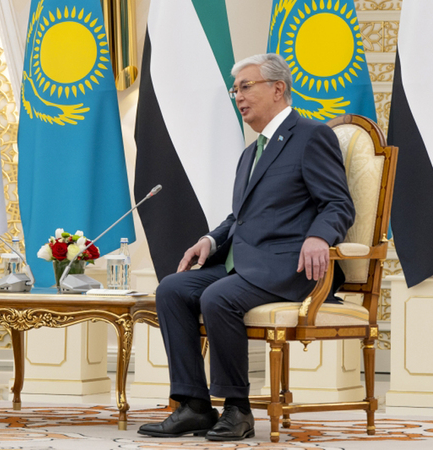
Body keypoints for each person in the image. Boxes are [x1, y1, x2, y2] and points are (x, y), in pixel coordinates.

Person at [137, 53, 354, 441]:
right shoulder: (251, 152)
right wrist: (209, 240)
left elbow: (338, 203)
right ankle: (193, 405)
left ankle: (237, 409)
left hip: (288, 267)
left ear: (278, 88)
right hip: (245, 265)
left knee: (218, 297)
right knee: (172, 288)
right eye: (234, 89)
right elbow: (240, 218)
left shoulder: (311, 136)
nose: (238, 96)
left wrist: (320, 236)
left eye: (245, 87)